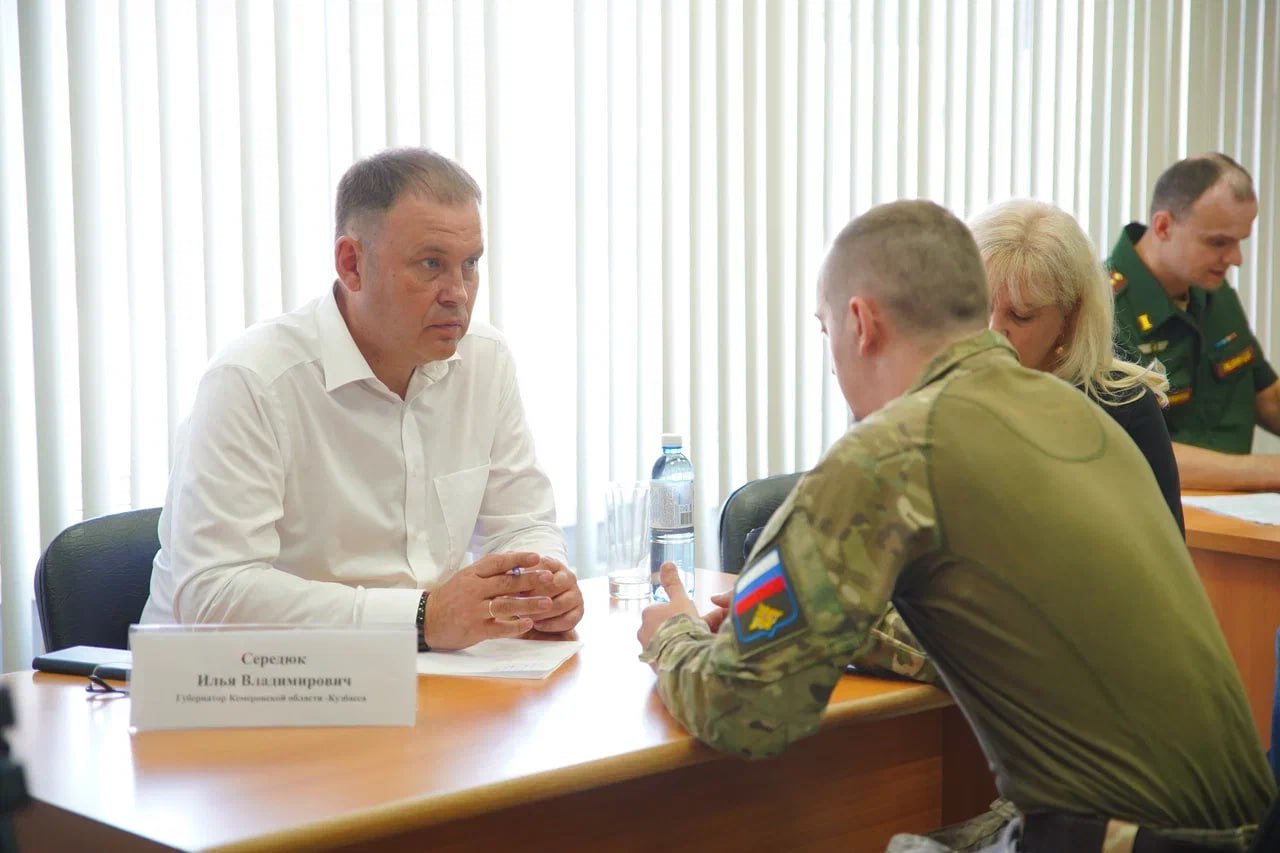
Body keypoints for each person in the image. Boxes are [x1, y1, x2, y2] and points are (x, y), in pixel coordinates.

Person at [637, 200, 1274, 851]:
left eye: (825, 331)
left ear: (860, 323)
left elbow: (742, 707)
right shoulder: (1080, 413)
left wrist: (672, 634)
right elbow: (1012, 631)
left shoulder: (887, 454)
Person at [142, 148, 583, 651]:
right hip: (246, 681)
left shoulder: (485, 359)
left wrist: (543, 584)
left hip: (426, 672)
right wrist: (421, 617)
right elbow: (214, 595)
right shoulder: (253, 380)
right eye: (431, 264)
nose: (458, 293)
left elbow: (521, 524)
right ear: (351, 264)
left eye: (470, 264)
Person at [975, 199, 1183, 534]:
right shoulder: (938, 398)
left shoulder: (1123, 411)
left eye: (1021, 316)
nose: (993, 331)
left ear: (1070, 318)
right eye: (978, 307)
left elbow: (1164, 557)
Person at [1109, 153, 1280, 491]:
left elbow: (1266, 396)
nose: (1235, 259)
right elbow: (1129, 450)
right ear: (1163, 227)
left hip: (1241, 510)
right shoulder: (1104, 309)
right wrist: (1268, 471)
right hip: (1163, 511)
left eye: (1239, 241)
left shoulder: (1211, 289)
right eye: (1218, 242)